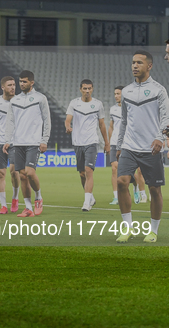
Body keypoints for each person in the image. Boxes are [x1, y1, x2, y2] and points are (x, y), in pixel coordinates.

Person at [115, 50, 169, 243]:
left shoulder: (159, 90)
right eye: (133, 62)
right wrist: (120, 144)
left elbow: (165, 118)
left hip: (151, 147)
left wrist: (160, 138)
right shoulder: (127, 91)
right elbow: (124, 120)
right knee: (121, 181)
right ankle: (128, 228)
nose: (135, 66)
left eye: (139, 63)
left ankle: (153, 231)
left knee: (154, 189)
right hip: (129, 145)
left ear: (150, 66)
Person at [4, 70, 51, 217]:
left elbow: (47, 120)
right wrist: (7, 140)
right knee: (22, 176)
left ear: (32, 82)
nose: (21, 84)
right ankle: (28, 208)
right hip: (18, 142)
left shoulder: (40, 98)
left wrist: (44, 140)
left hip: (34, 142)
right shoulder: (14, 100)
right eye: (20, 81)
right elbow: (10, 122)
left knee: (30, 173)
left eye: (24, 81)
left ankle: (38, 197)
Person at [65, 79, 110, 211]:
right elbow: (68, 119)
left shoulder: (97, 104)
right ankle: (91, 197)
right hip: (78, 142)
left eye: (89, 88)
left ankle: (86, 203)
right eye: (85, 88)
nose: (87, 91)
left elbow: (102, 124)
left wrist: (107, 143)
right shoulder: (74, 103)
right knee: (82, 174)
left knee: (89, 171)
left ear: (92, 89)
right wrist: (68, 127)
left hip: (92, 141)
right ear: (80, 89)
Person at [0, 76, 20, 214]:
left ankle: (15, 198)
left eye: (14, 85)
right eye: (10, 85)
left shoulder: (20, 101)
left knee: (14, 171)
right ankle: (3, 205)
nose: (13, 87)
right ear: (3, 87)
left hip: (16, 141)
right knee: (1, 173)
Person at [108, 86, 123, 205]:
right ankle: (116, 197)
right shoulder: (112, 109)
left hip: (126, 143)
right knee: (114, 168)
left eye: (118, 93)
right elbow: (111, 126)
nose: (116, 96)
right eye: (115, 93)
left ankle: (135, 187)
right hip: (114, 142)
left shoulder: (129, 109)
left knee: (128, 170)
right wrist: (108, 141)